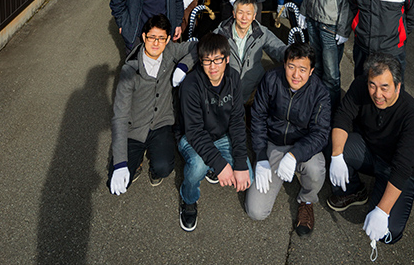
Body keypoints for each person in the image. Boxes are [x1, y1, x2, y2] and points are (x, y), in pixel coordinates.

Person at [328, 53, 414, 245]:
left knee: (388, 233)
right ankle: (355, 191)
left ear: (398, 86)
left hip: (396, 170)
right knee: (333, 143)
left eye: (384, 87)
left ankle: (381, 198)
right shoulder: (360, 86)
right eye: (372, 85)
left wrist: (382, 211)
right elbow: (342, 117)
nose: (377, 94)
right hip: (370, 152)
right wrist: (337, 155)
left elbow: (403, 167)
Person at [245, 43, 331, 237]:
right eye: (291, 66)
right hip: (274, 144)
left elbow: (321, 133)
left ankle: (307, 200)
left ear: (311, 71)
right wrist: (260, 156)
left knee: (316, 170)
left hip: (303, 145)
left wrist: (294, 155)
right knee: (256, 211)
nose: (295, 75)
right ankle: (272, 167)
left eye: (302, 69)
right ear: (284, 64)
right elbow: (257, 117)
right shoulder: (271, 79)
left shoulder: (320, 93)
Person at [108, 14, 197, 195]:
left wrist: (183, 66)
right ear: (143, 37)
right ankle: (137, 162)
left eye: (161, 38)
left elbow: (198, 46)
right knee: (115, 182)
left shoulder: (170, 51)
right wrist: (119, 163)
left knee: (164, 168)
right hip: (135, 128)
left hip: (161, 123)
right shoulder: (129, 70)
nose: (156, 43)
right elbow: (120, 117)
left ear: (167, 39)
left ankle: (154, 167)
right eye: (151, 37)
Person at [177, 32, 252, 232]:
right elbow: (193, 132)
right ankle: (189, 199)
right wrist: (220, 164)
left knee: (247, 177)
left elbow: (237, 121)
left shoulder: (234, 77)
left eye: (218, 60)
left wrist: (241, 164)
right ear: (200, 61)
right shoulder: (191, 85)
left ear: (227, 59)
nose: (213, 66)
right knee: (197, 168)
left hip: (222, 136)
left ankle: (214, 164)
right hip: (192, 137)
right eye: (207, 61)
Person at [214, 0, 286, 102]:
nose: (244, 18)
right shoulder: (220, 34)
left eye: (248, 13)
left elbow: (279, 48)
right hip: (226, 93)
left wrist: (294, 53)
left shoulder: (262, 33)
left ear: (254, 16)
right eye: (240, 12)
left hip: (254, 91)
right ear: (234, 14)